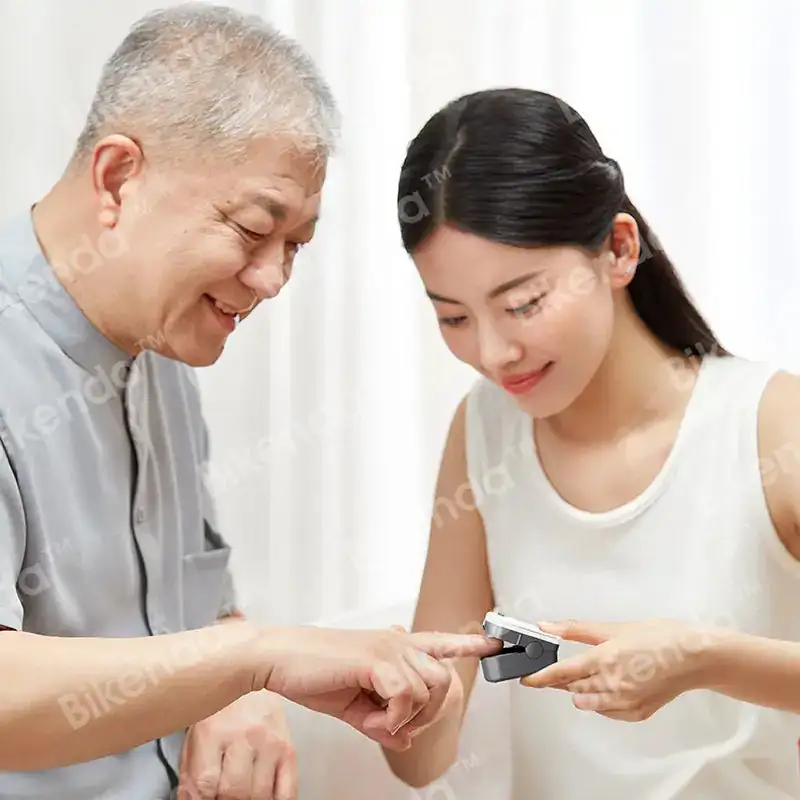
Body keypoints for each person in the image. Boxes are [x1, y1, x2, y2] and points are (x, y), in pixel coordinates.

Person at [0, 6, 500, 799]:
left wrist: (242, 690)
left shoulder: (162, 347)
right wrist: (253, 662)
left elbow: (201, 616)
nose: (272, 280)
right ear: (118, 178)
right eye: (251, 230)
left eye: (295, 245)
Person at [383, 87, 800, 798]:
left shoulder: (768, 426)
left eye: (523, 304)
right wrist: (404, 704)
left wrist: (703, 659)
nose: (493, 353)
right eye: (454, 318)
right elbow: (421, 758)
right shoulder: (483, 431)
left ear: (618, 249)